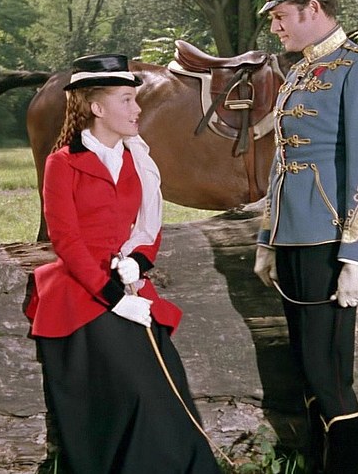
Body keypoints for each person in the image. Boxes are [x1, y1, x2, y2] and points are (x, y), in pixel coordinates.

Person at [23, 54, 221, 474]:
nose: (137, 109)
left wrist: (138, 262)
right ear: (97, 108)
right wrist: (114, 297)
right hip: (81, 290)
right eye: (127, 100)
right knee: (136, 393)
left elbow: (150, 228)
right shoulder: (63, 163)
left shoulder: (139, 159)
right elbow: (66, 240)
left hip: (128, 281)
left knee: (169, 387)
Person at [252, 0, 358, 473]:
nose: (275, 26)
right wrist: (267, 238)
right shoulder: (301, 70)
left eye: (280, 16)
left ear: (312, 7)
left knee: (329, 373)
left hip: (328, 241)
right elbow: (282, 161)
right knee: (308, 370)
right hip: (292, 238)